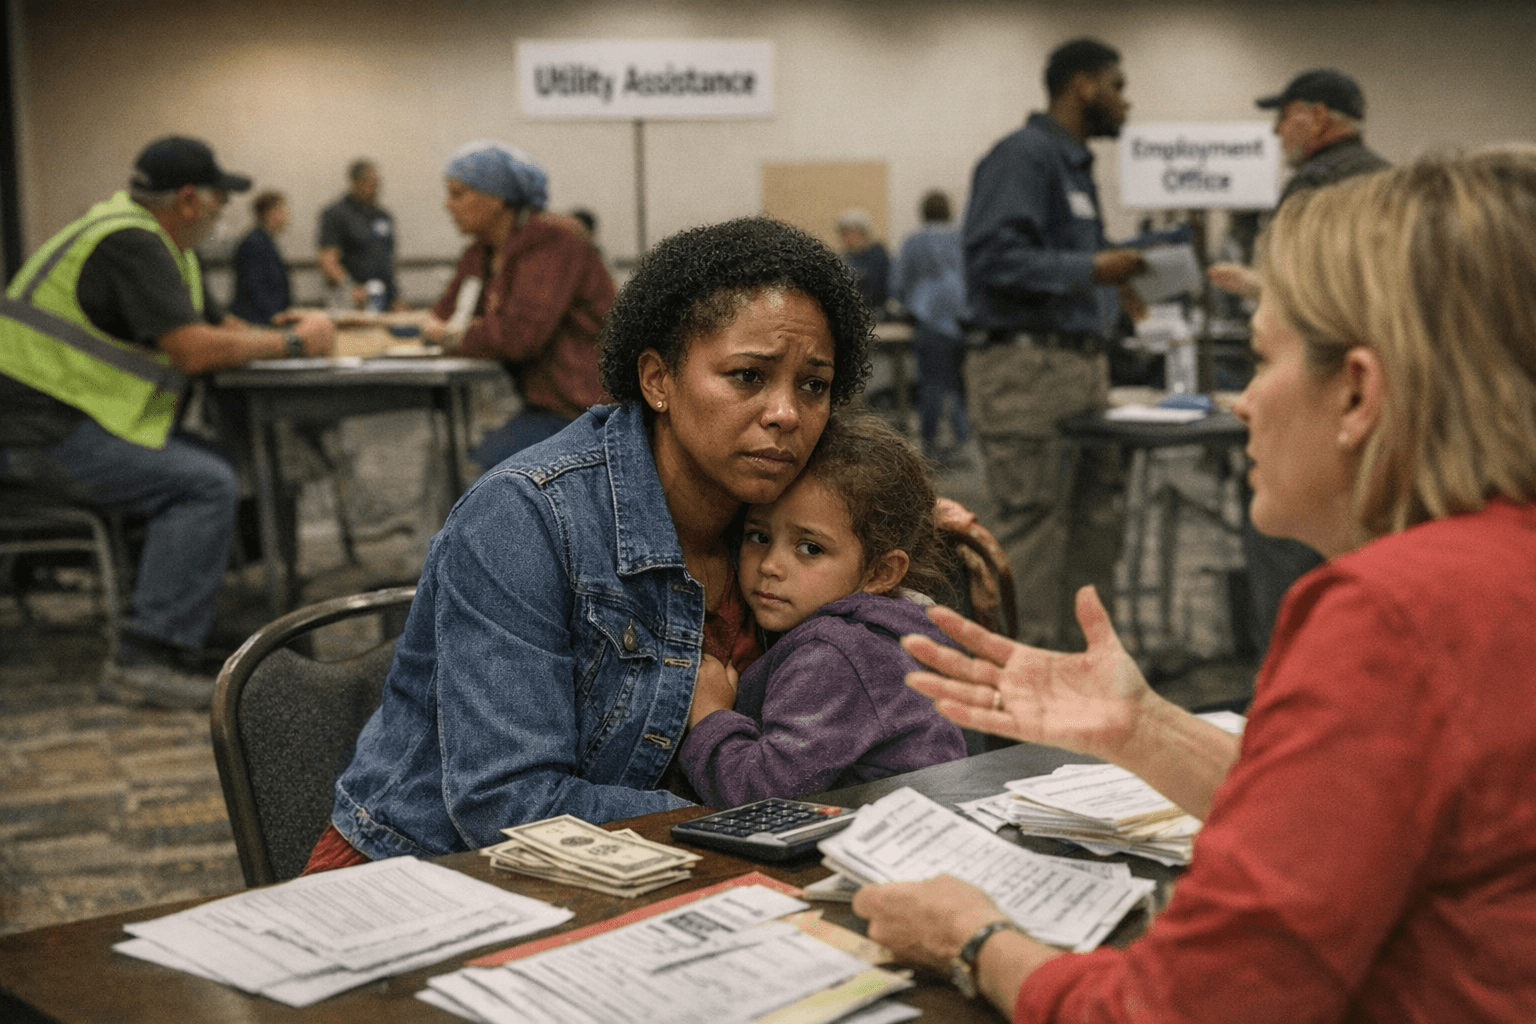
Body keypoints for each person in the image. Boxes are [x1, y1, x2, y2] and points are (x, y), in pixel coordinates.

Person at [853, 149, 1536, 1022]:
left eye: (1260, 360)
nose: (1243, 401)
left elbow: (1181, 1011)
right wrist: (1143, 729)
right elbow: (1350, 819)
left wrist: (973, 940)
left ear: (1357, 393)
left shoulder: (1387, 615)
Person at [304, 215, 873, 870]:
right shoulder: (525, 516)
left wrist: (912, 535)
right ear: (658, 381)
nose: (786, 414)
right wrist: (749, 824)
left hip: (659, 866)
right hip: (430, 873)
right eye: (748, 376)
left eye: (814, 385)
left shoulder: (789, 513)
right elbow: (506, 804)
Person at [0, 136, 335, 708]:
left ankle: (184, 621)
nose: (221, 213)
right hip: (35, 434)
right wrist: (296, 343)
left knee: (219, 463)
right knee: (203, 484)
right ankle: (145, 655)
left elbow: (214, 327)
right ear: (188, 200)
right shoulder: (130, 242)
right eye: (218, 200)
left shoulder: (157, 242)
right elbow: (194, 350)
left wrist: (280, 331)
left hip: (68, 421)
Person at [678, 413, 966, 808]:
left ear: (881, 572)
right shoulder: (889, 626)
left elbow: (761, 796)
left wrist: (711, 717)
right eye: (758, 536)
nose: (770, 566)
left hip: (887, 841)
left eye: (810, 548)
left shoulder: (838, 653)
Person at [961, 37, 1145, 649]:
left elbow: (1061, 262)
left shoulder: (1073, 166)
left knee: (1094, 528)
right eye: (1118, 86)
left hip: (1079, 367)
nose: (1126, 101)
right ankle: (1022, 695)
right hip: (1026, 369)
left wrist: (1115, 278)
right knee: (1034, 535)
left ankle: (1085, 681)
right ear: (1083, 86)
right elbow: (993, 259)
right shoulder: (1023, 157)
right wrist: (1091, 269)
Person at [1208, 68, 1391, 659]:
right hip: (1380, 405)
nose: (1276, 131)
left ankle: (1289, 684)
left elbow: (1304, 312)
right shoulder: (1389, 183)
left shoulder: (1313, 188)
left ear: (1315, 118)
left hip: (1318, 397)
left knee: (1285, 545)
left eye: (1284, 116)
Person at [421, 140, 616, 468]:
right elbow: (443, 316)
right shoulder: (481, 253)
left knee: (481, 471)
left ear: (496, 198)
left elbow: (519, 335)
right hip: (543, 404)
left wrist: (452, 335)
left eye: (458, 194)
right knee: (454, 461)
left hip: (585, 410)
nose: (447, 205)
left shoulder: (555, 244)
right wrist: (449, 330)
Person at [891, 190, 970, 463]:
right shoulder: (962, 239)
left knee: (932, 386)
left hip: (929, 324)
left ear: (922, 212)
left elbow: (898, 284)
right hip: (963, 323)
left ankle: (930, 445)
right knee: (959, 386)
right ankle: (963, 442)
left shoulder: (914, 242)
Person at [317, 158, 398, 311]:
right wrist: (350, 288)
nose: (374, 188)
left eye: (377, 183)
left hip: (382, 297)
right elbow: (328, 260)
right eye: (369, 183)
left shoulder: (383, 216)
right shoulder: (336, 214)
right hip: (351, 299)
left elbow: (389, 260)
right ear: (355, 182)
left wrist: (395, 297)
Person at [229, 190, 291, 325]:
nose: (286, 216)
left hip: (267, 316)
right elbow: (253, 285)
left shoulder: (266, 241)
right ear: (269, 213)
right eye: (281, 211)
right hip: (257, 319)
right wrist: (272, 314)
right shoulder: (254, 243)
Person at [837, 208, 891, 318]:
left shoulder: (877, 255)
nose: (845, 239)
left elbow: (883, 288)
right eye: (843, 234)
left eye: (848, 233)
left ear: (862, 232)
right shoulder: (843, 258)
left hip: (877, 312)